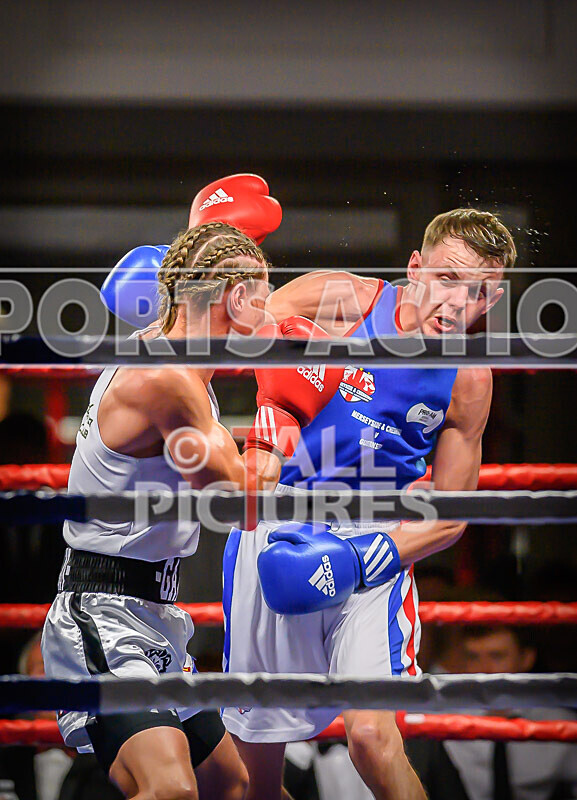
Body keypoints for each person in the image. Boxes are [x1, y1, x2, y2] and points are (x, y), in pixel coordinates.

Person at [102, 182, 516, 799]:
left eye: (479, 291)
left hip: (376, 545)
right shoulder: (338, 299)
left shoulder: (469, 380)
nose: (458, 302)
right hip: (277, 528)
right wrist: (191, 270)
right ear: (415, 267)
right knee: (257, 776)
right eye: (448, 278)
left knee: (373, 739)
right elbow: (231, 330)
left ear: (495, 298)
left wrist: (364, 558)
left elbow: (453, 516)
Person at [42, 215, 343, 800]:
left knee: (235, 787)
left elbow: (209, 286)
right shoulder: (167, 381)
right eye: (260, 298)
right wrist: (283, 409)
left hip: (155, 614)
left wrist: (214, 243)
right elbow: (241, 503)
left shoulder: (174, 350)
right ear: (234, 298)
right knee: (171, 789)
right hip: (102, 616)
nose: (270, 315)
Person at [408, 624, 577, 800]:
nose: (484, 668)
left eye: (497, 656)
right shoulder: (442, 721)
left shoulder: (560, 723)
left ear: (526, 659)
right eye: (473, 657)